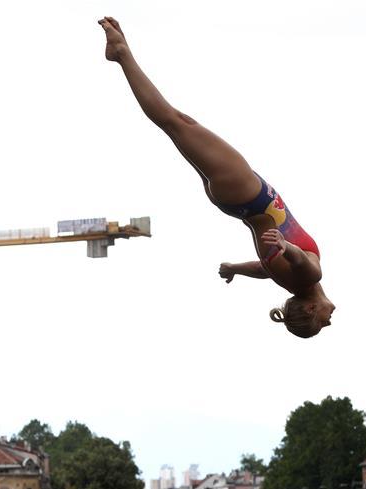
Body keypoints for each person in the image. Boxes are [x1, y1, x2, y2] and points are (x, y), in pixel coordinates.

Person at [98, 17, 335, 338]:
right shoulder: (287, 280)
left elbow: (306, 265)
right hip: (235, 200)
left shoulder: (306, 277)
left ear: (309, 308)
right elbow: (264, 270)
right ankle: (122, 53)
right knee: (178, 126)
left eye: (322, 322)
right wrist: (235, 269)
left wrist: (286, 245)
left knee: (175, 122)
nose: (330, 319)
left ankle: (122, 54)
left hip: (250, 195)